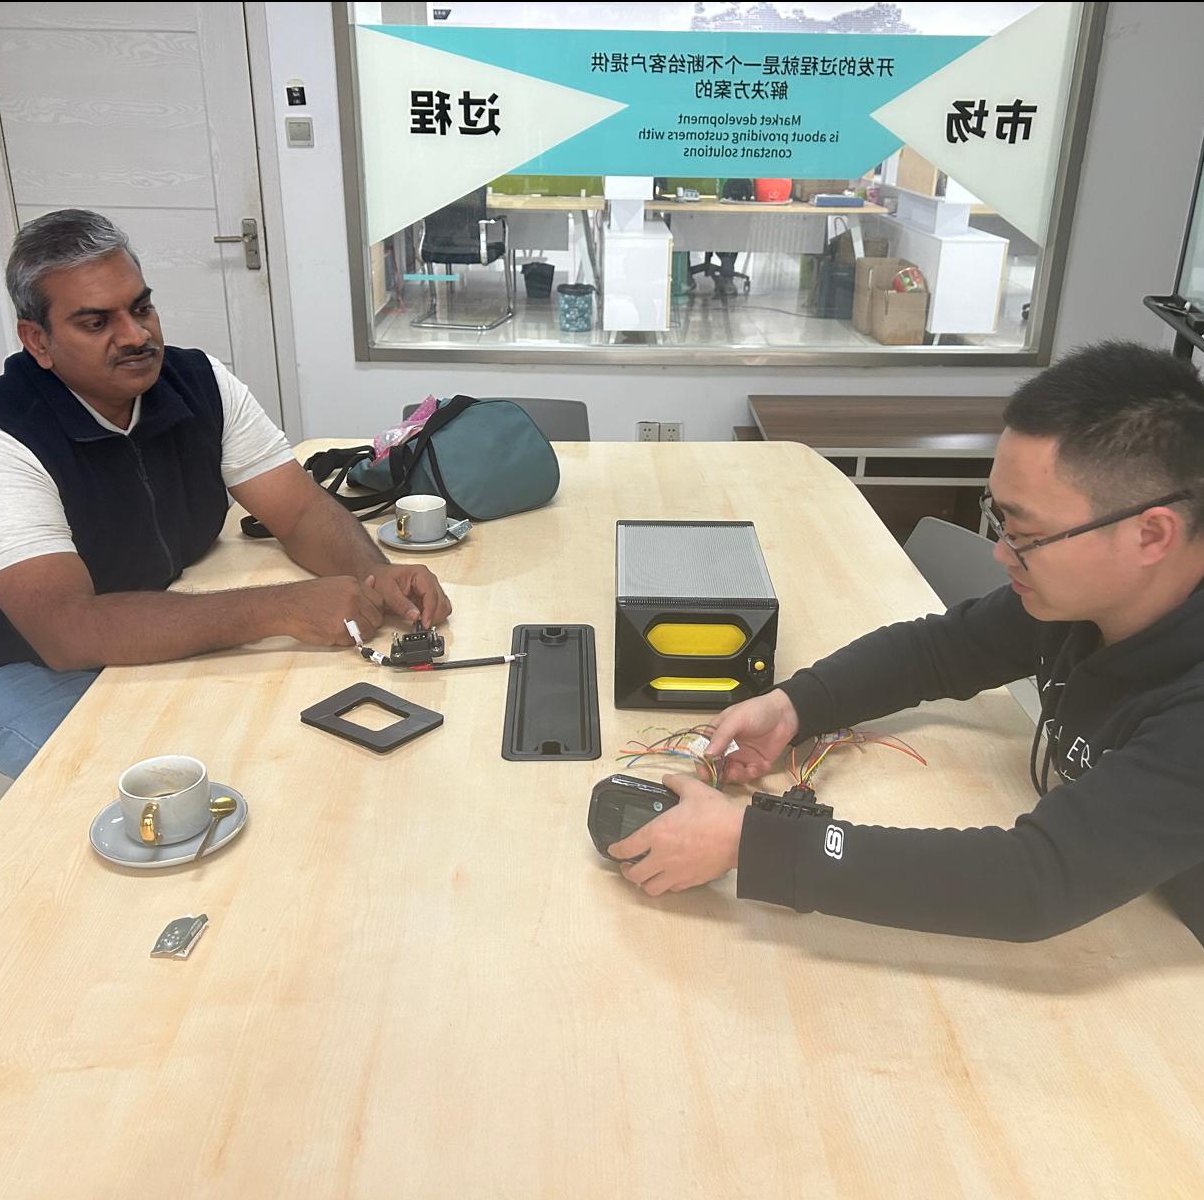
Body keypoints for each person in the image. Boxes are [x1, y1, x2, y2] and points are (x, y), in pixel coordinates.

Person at [610, 341, 1204, 944]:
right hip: (1135, 897)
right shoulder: (1089, 598)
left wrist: (748, 841)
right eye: (1001, 522)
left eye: (1027, 535)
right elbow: (940, 651)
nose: (1002, 554)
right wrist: (795, 706)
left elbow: (1033, 881)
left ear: (1151, 535)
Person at [0, 209, 451, 778]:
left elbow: (301, 510)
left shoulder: (199, 381)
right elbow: (66, 631)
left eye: (141, 307)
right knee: (147, 787)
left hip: (166, 610)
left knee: (279, 754)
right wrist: (278, 608)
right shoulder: (10, 435)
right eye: (96, 323)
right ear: (37, 341)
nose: (136, 336)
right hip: (29, 662)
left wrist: (374, 573)